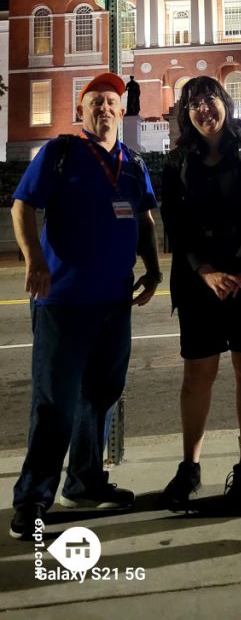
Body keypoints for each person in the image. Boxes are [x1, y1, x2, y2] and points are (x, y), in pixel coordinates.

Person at [9, 72, 162, 540]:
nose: (103, 107)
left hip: (114, 304)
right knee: (54, 402)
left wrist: (153, 269)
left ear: (121, 110)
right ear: (81, 112)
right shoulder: (60, 154)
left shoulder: (134, 164)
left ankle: (84, 481)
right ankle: (33, 497)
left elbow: (144, 218)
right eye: (93, 101)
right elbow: (22, 206)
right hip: (63, 303)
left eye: (110, 101)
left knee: (100, 395)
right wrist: (35, 261)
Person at [160, 77, 241, 513]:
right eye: (193, 103)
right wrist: (205, 270)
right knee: (197, 374)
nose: (203, 108)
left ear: (224, 103)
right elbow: (174, 222)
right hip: (198, 280)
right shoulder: (177, 162)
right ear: (185, 113)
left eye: (210, 98)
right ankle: (190, 465)